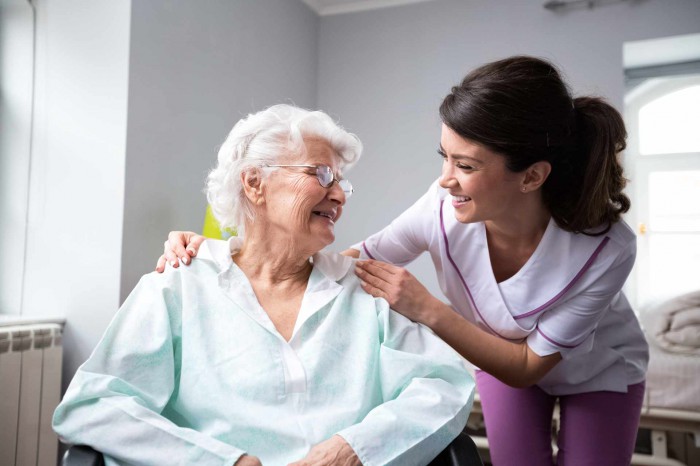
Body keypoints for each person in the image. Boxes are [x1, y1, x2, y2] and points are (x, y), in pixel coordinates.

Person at [161, 57, 650, 465]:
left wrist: (427, 308)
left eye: (466, 166)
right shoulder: (441, 207)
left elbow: (526, 366)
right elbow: (352, 263)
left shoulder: (606, 249)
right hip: (497, 361)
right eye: (445, 156)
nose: (444, 179)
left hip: (595, 370)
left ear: (530, 177)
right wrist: (224, 255)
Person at [53, 105, 475, 466]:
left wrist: (351, 451)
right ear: (254, 183)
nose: (340, 196)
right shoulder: (177, 287)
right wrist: (223, 461)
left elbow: (444, 386)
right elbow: (95, 405)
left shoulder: (366, 290)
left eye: (341, 182)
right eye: (322, 174)